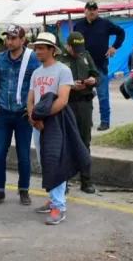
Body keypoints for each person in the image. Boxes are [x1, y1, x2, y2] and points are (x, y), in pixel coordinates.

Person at [26, 32, 89, 225]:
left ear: (52, 50)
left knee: (58, 161)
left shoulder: (63, 70)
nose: (37, 51)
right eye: (36, 48)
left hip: (56, 122)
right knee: (45, 162)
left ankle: (59, 207)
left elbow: (62, 100)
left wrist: (42, 117)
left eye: (41, 48)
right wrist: (32, 118)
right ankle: (53, 198)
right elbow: (31, 98)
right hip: (39, 123)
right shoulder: (36, 73)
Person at [0, 25, 41, 206]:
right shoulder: (0, 60)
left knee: (24, 154)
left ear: (22, 40)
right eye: (7, 38)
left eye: (13, 38)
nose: (9, 42)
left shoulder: (32, 59)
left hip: (23, 114)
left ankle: (24, 190)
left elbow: (39, 84)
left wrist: (34, 108)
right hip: (3, 112)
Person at [73, 1, 125, 132]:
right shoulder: (78, 26)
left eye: (94, 9)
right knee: (84, 94)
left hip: (99, 66)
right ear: (85, 11)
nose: (92, 12)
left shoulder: (105, 24)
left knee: (103, 95)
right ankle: (86, 120)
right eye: (89, 9)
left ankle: (105, 121)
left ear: (97, 11)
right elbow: (73, 43)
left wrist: (114, 47)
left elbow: (121, 32)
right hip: (83, 66)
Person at [58, 31, 100, 193]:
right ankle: (64, 182)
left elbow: (97, 75)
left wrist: (93, 80)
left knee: (85, 142)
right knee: (66, 143)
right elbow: (55, 82)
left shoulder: (85, 56)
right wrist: (70, 86)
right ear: (67, 45)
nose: (77, 51)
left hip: (85, 104)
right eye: (74, 48)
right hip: (67, 104)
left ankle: (86, 180)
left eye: (79, 48)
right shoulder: (60, 59)